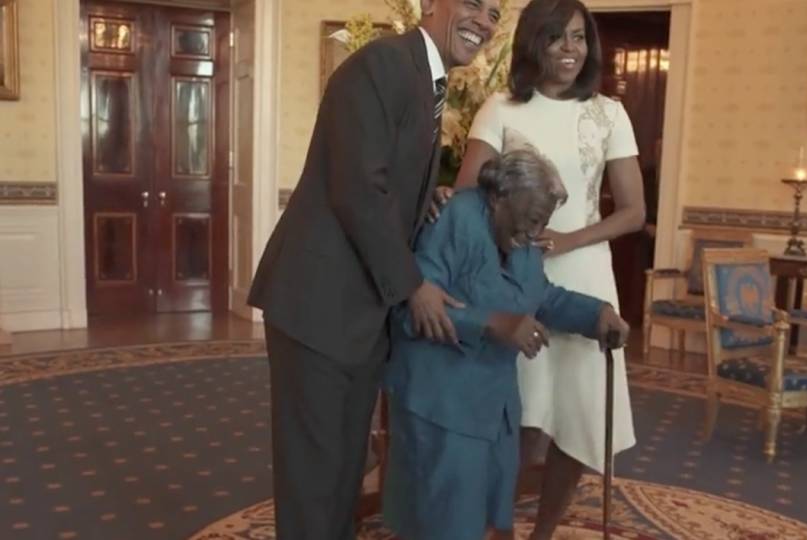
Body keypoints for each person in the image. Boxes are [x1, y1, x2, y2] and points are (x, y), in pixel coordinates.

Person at [246, 0, 502, 537]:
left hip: (359, 314)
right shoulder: (383, 64)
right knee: (314, 479)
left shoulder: (428, 83)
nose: (485, 20)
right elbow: (358, 189)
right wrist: (413, 286)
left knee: (343, 473)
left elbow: (381, 177)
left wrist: (423, 196)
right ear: (432, 4)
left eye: (496, 13)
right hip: (317, 305)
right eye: (474, 4)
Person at [455, 0, 646, 537]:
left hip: (586, 272)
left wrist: (568, 240)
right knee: (521, 416)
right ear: (533, 41)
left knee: (579, 419)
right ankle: (498, 527)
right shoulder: (501, 108)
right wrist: (508, 242)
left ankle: (542, 533)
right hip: (516, 275)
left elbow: (634, 212)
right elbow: (469, 196)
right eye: (558, 36)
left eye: (580, 37)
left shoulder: (609, 113)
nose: (570, 49)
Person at [384, 147, 630, 540]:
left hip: (492, 404)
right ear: (499, 198)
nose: (536, 234)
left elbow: (541, 295)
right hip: (440, 398)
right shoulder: (454, 218)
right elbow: (411, 311)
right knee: (444, 522)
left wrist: (595, 313)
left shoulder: (521, 241)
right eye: (533, 220)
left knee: (488, 514)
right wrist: (489, 323)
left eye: (544, 223)